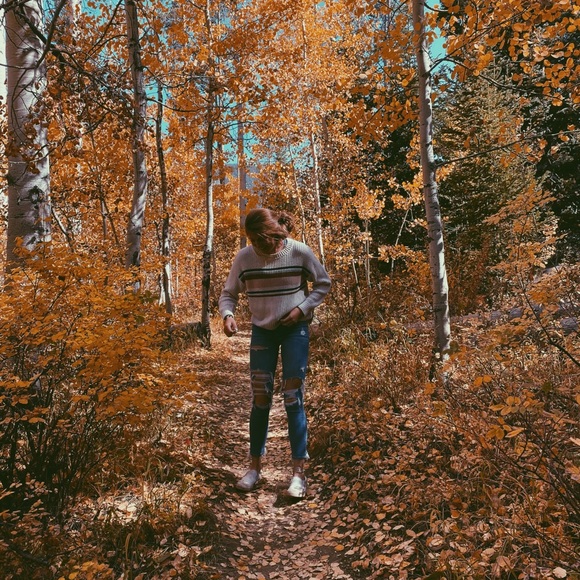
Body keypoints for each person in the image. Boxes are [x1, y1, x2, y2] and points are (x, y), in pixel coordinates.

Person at [219, 208, 331, 498]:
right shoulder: (244, 258)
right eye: (252, 240)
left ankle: (298, 475)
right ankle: (254, 468)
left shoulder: (299, 252)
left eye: (261, 239)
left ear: (273, 233)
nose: (257, 245)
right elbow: (229, 293)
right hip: (262, 331)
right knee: (260, 398)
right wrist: (227, 315)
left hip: (295, 329)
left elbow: (323, 283)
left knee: (293, 396)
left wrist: (301, 309)